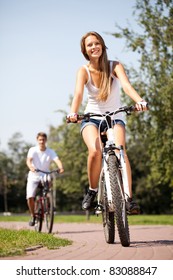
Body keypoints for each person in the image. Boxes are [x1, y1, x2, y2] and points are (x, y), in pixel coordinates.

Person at [67, 31, 148, 214]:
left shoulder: (114, 66)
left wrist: (139, 101)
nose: (94, 47)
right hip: (91, 118)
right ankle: (92, 190)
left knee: (120, 150)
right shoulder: (84, 70)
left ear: (102, 45)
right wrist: (73, 112)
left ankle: (128, 199)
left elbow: (127, 86)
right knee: (95, 152)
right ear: (85, 51)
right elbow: (78, 94)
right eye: (89, 45)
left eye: (97, 43)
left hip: (115, 116)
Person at [26, 132, 64, 226]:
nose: (41, 141)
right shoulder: (33, 150)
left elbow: (57, 160)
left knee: (48, 191)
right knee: (30, 197)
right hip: (33, 175)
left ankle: (48, 207)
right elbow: (29, 160)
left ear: (46, 140)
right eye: (40, 140)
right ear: (37, 140)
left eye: (43, 140)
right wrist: (31, 167)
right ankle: (33, 215)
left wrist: (61, 167)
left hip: (45, 175)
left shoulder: (50, 151)